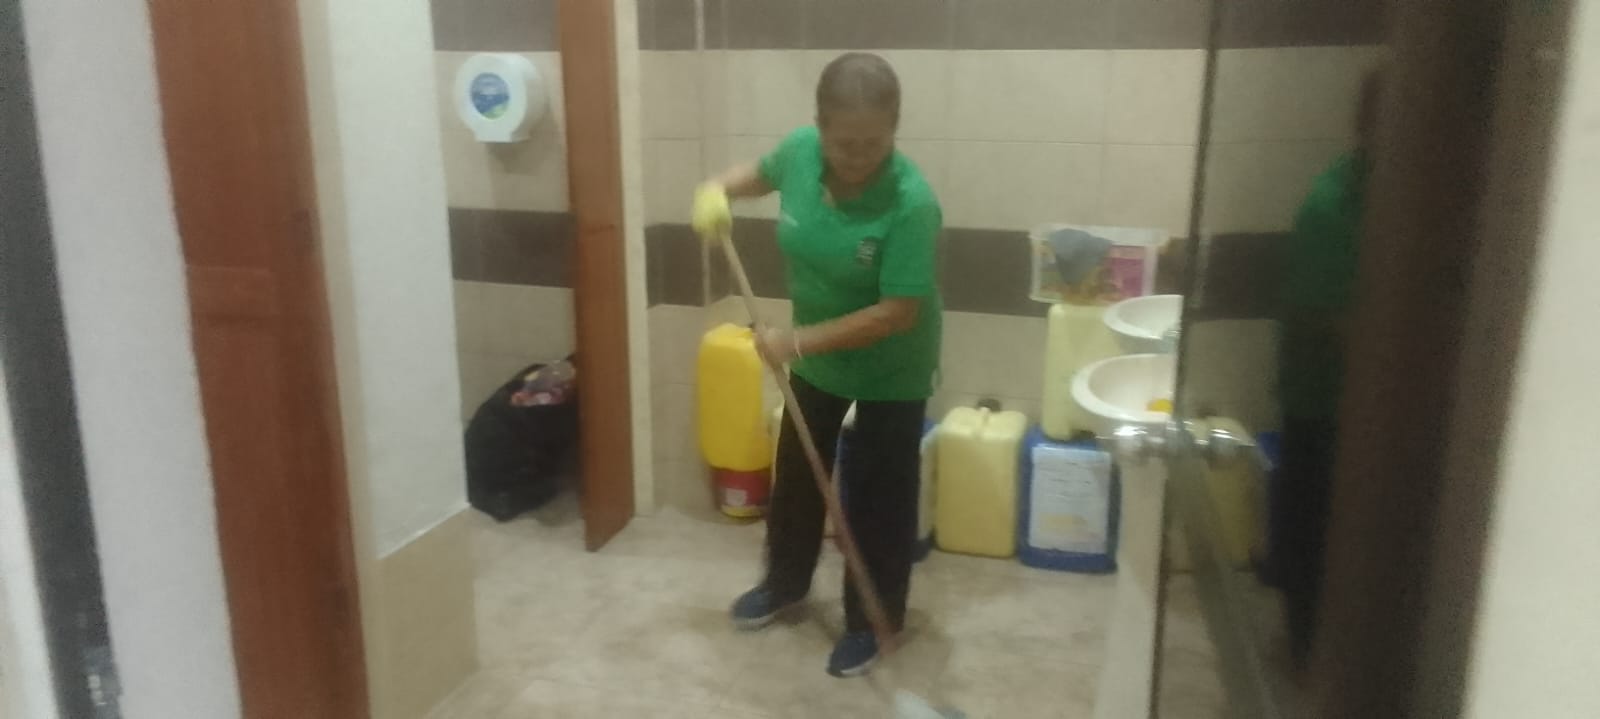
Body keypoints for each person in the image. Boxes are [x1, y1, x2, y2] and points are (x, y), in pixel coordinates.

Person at [690, 52, 942, 678]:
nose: (858, 157)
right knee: (800, 474)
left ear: (894, 129)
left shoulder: (912, 202)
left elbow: (897, 313)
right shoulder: (800, 152)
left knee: (879, 495)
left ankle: (873, 621)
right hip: (813, 351)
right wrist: (717, 190)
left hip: (891, 364)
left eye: (873, 143)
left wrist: (796, 343)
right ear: (820, 126)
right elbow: (758, 175)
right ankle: (784, 583)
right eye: (844, 143)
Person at [1274, 68, 1383, 671]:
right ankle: (1307, 656)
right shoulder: (1333, 204)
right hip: (1322, 398)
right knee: (1311, 531)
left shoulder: (1400, 195)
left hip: (1359, 403)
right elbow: (1338, 323)